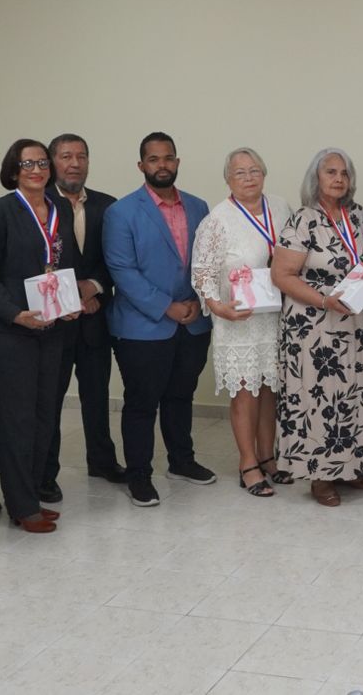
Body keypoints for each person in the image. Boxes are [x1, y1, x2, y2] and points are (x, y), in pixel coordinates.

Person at [0, 138, 82, 532]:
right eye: (27, 163)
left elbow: (64, 265)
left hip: (52, 329)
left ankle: (32, 494)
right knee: (15, 420)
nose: (36, 169)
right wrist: (16, 315)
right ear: (13, 169)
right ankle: (21, 506)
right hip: (9, 333)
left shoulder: (60, 209)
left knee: (44, 417)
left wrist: (69, 302)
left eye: (41, 162)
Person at [104, 132, 216, 507]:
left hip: (194, 321)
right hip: (143, 326)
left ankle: (181, 461)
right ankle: (138, 475)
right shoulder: (121, 212)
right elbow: (123, 270)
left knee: (180, 395)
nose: (162, 165)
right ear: (141, 166)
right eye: (153, 159)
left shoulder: (200, 207)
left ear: (178, 162)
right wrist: (167, 306)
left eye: (168, 158)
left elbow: (211, 262)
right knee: (141, 402)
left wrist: (201, 300)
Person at [270, 148, 363, 507]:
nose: (338, 178)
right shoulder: (302, 220)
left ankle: (352, 468)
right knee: (319, 400)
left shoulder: (362, 217)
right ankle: (320, 475)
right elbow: (282, 275)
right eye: (330, 172)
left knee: (356, 394)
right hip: (314, 327)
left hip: (356, 324)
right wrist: (323, 299)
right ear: (315, 179)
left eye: (344, 173)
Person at [190, 148, 290, 496]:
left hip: (274, 317)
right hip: (238, 319)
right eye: (240, 173)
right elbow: (201, 274)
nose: (248, 178)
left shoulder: (280, 208)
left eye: (254, 170)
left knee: (269, 389)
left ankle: (268, 456)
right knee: (245, 391)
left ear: (265, 173)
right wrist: (219, 308)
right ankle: (247, 463)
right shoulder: (217, 220)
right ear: (228, 180)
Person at [46, 133, 124, 487]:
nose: (74, 163)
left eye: (81, 156)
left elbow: (118, 260)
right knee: (49, 400)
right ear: (52, 163)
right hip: (52, 322)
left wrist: (92, 287)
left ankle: (103, 462)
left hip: (95, 318)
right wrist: (71, 295)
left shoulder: (109, 206)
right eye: (66, 156)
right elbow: (32, 261)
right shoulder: (37, 204)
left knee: (97, 395)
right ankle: (46, 473)